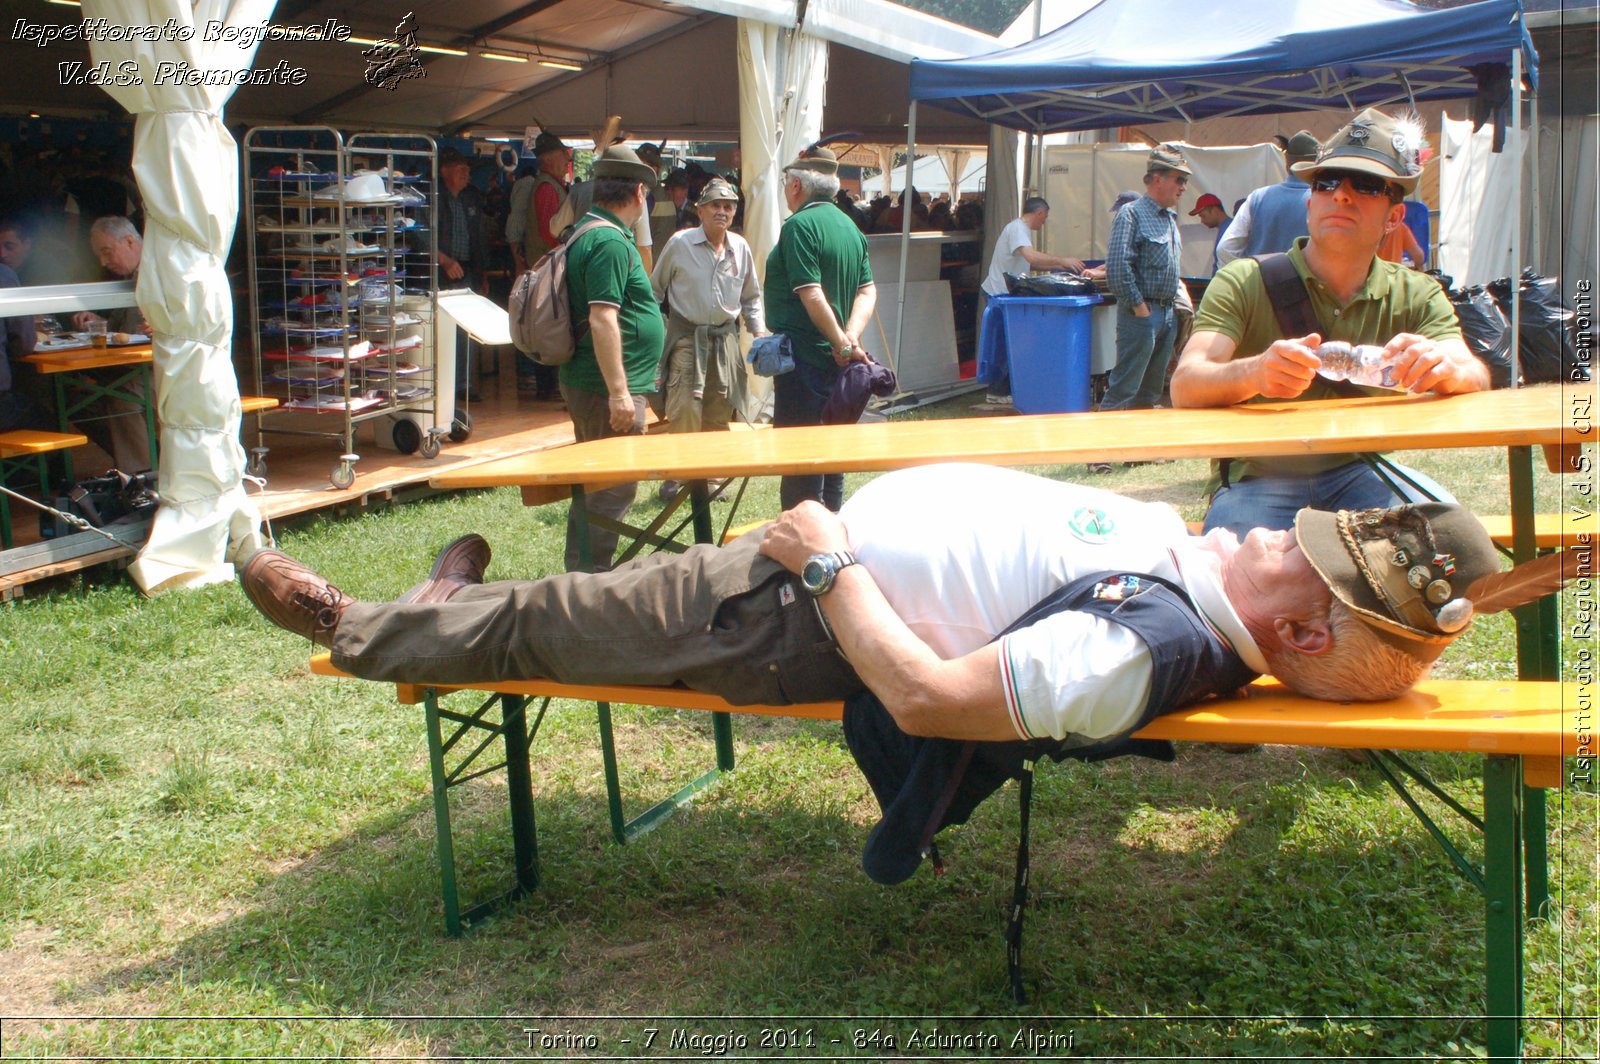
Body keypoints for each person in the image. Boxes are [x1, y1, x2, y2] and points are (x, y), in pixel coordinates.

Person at [239, 464, 1517, 754]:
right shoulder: (1215, 577)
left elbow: (931, 699)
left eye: (1317, 560)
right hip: (798, 573)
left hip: (780, 606)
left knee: (553, 621)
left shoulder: (1151, 647)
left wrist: (824, 560)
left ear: (1300, 633)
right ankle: (445, 598)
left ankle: (353, 622)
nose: (1282, 532)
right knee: (570, 604)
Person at [1170, 108, 1489, 536]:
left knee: (1455, 539)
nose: (1341, 195)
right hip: (1258, 477)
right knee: (1235, 573)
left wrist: (1445, 368)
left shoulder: (1416, 292)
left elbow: (1475, 375)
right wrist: (1255, 371)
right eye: (1327, 182)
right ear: (1310, 204)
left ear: (1394, 218)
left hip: (1363, 470)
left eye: (1368, 185)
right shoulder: (1243, 280)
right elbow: (1186, 384)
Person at [556, 145, 665, 572]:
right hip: (605, 389)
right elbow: (603, 318)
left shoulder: (591, 231)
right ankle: (588, 578)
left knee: (603, 483)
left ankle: (585, 573)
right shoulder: (608, 241)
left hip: (597, 384)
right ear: (639, 191)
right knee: (613, 486)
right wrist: (621, 394)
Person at [763, 147, 875, 512]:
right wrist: (851, 337)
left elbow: (811, 293)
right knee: (833, 453)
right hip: (837, 361)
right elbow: (867, 289)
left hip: (805, 360)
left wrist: (842, 340)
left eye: (785, 184)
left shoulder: (799, 226)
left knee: (801, 462)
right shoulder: (850, 227)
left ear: (796, 185)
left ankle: (802, 549)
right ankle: (833, 531)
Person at [649, 177, 766, 499]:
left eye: (728, 206)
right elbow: (654, 290)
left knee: (718, 410)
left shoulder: (739, 248)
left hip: (725, 340)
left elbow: (751, 297)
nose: (722, 211)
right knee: (685, 406)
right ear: (700, 210)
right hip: (687, 337)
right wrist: (655, 330)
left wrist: (758, 332)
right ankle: (680, 476)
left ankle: (711, 478)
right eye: (715, 205)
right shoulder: (680, 243)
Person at [1102, 146, 1189, 416]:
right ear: (1157, 178)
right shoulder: (1131, 214)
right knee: (1124, 388)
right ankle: (1100, 455)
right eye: (1179, 179)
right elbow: (1117, 268)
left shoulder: (1170, 219)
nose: (1184, 187)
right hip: (1142, 314)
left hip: (1165, 314)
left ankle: (1136, 456)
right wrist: (1139, 307)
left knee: (1150, 391)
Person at [65, 215, 154, 472]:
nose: (104, 262)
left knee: (122, 396)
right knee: (76, 400)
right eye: (99, 256)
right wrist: (97, 320)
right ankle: (147, 454)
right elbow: (122, 330)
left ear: (128, 241)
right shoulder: (127, 278)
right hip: (130, 365)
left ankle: (141, 475)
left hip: (163, 366)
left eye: (107, 252)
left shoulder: (160, 270)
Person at [978, 196, 1086, 406]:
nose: (1044, 221)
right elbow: (1031, 257)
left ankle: (1004, 389)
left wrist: (1059, 268)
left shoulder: (1021, 230)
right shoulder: (1018, 229)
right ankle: (997, 391)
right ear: (1039, 213)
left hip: (1004, 293)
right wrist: (1062, 261)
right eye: (1045, 217)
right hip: (999, 293)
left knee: (1010, 342)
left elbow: (1029, 263)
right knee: (1005, 343)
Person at [505, 132, 571, 397]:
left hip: (547, 264)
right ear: (549, 159)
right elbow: (549, 230)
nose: (567, 159)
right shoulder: (546, 187)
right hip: (548, 267)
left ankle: (548, 384)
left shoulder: (550, 184)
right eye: (563, 155)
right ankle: (547, 386)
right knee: (547, 325)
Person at [1216, 130, 1319, 265]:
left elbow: (1225, 248)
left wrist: (1246, 276)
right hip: (1304, 284)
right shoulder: (1323, 202)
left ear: (1287, 167)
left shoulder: (1257, 197)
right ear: (1318, 167)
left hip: (1260, 282)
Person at [436, 150, 490, 400]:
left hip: (467, 271)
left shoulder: (470, 198)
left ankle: (463, 385)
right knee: (440, 330)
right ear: (444, 171)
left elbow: (479, 237)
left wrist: (483, 275)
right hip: (439, 272)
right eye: (460, 168)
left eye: (467, 169)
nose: (466, 173)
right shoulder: (433, 199)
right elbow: (419, 235)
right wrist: (444, 260)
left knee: (465, 330)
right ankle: (441, 383)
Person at [1187, 192, 1232, 274]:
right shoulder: (1227, 228)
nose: (1202, 221)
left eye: (1203, 216)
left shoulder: (1229, 230)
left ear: (1215, 211)